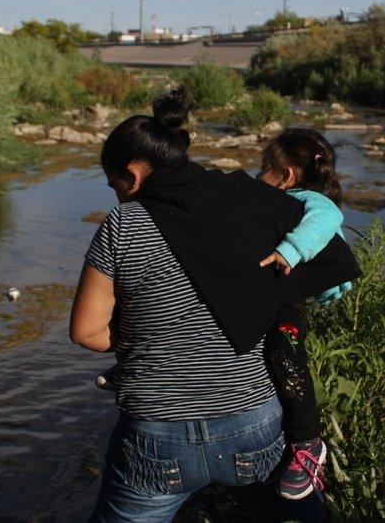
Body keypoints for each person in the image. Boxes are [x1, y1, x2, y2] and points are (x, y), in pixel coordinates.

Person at [71, 88, 360, 522]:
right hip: (255, 426)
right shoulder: (248, 198)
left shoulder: (123, 224)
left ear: (131, 175)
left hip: (157, 440)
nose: (115, 195)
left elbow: (88, 332)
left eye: (113, 185)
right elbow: (329, 249)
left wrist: (152, 333)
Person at [256, 128, 352, 500]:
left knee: (285, 351)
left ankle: (308, 442)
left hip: (292, 300)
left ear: (286, 175)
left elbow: (326, 222)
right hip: (281, 294)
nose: (259, 173)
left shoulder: (310, 200)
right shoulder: (280, 200)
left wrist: (290, 250)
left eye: (265, 167)